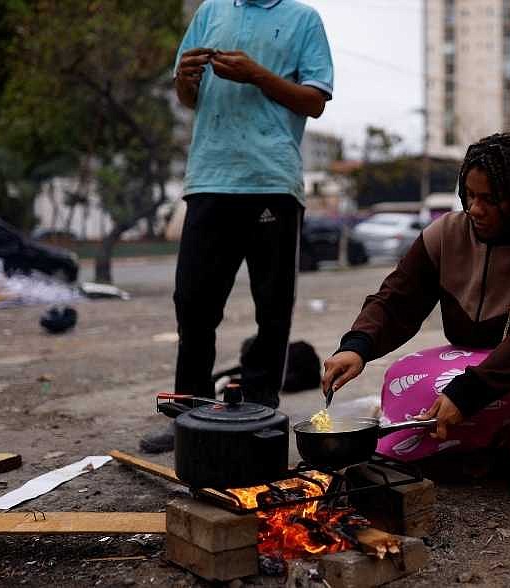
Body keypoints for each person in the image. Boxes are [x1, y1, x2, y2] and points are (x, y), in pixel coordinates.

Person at [322, 133, 510, 490]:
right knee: (401, 379)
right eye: (470, 195)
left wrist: (466, 392)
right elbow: (395, 298)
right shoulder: (445, 233)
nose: (475, 208)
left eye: (491, 199)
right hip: (470, 357)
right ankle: (469, 452)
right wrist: (357, 346)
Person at [140, 0, 334, 454]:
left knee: (272, 308)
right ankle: (187, 415)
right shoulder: (209, 13)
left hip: (272, 181)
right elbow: (190, 97)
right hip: (209, 177)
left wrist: (256, 74)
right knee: (193, 303)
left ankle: (262, 420)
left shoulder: (304, 19)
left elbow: (316, 101)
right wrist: (185, 81)